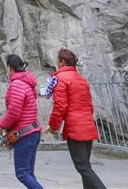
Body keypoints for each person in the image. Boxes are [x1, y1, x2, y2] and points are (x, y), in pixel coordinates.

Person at [47, 48, 106, 189]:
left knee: (82, 166)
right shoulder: (81, 79)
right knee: (85, 165)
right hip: (87, 124)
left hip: (75, 127)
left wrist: (53, 126)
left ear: (61, 62)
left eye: (58, 60)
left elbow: (60, 106)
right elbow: (89, 105)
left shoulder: (60, 79)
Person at [0, 55, 43, 189]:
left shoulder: (17, 84)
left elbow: (14, 111)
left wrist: (2, 125)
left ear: (10, 67)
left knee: (22, 173)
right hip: (33, 131)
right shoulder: (28, 82)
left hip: (24, 134)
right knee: (28, 173)